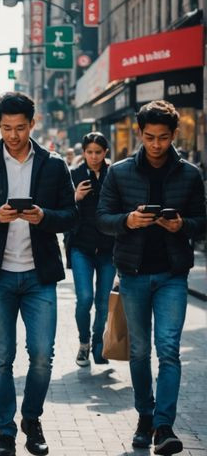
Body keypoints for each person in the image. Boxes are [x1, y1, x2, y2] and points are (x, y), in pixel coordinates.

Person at [0, 92, 77, 456]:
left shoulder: (53, 164)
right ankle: (6, 431)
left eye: (20, 127)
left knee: (42, 355)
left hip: (39, 275)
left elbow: (71, 214)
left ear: (33, 123)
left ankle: (32, 418)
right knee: (2, 358)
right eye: (6, 128)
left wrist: (45, 218)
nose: (13, 135)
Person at [97, 100, 206, 455]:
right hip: (133, 273)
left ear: (174, 134)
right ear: (140, 134)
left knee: (169, 351)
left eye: (162, 137)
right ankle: (145, 415)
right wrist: (127, 221)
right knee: (140, 351)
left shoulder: (189, 173)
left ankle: (163, 426)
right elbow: (103, 218)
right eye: (149, 137)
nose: (156, 144)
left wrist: (181, 225)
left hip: (173, 274)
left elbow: (201, 222)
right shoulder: (119, 172)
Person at [66, 132, 115, 367]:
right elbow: (62, 210)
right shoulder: (73, 175)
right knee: (85, 298)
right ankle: (84, 343)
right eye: (89, 152)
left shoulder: (115, 175)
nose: (93, 157)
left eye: (98, 152)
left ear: (105, 153)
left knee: (103, 302)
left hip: (108, 249)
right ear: (83, 153)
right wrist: (75, 197)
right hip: (81, 247)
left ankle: (98, 346)